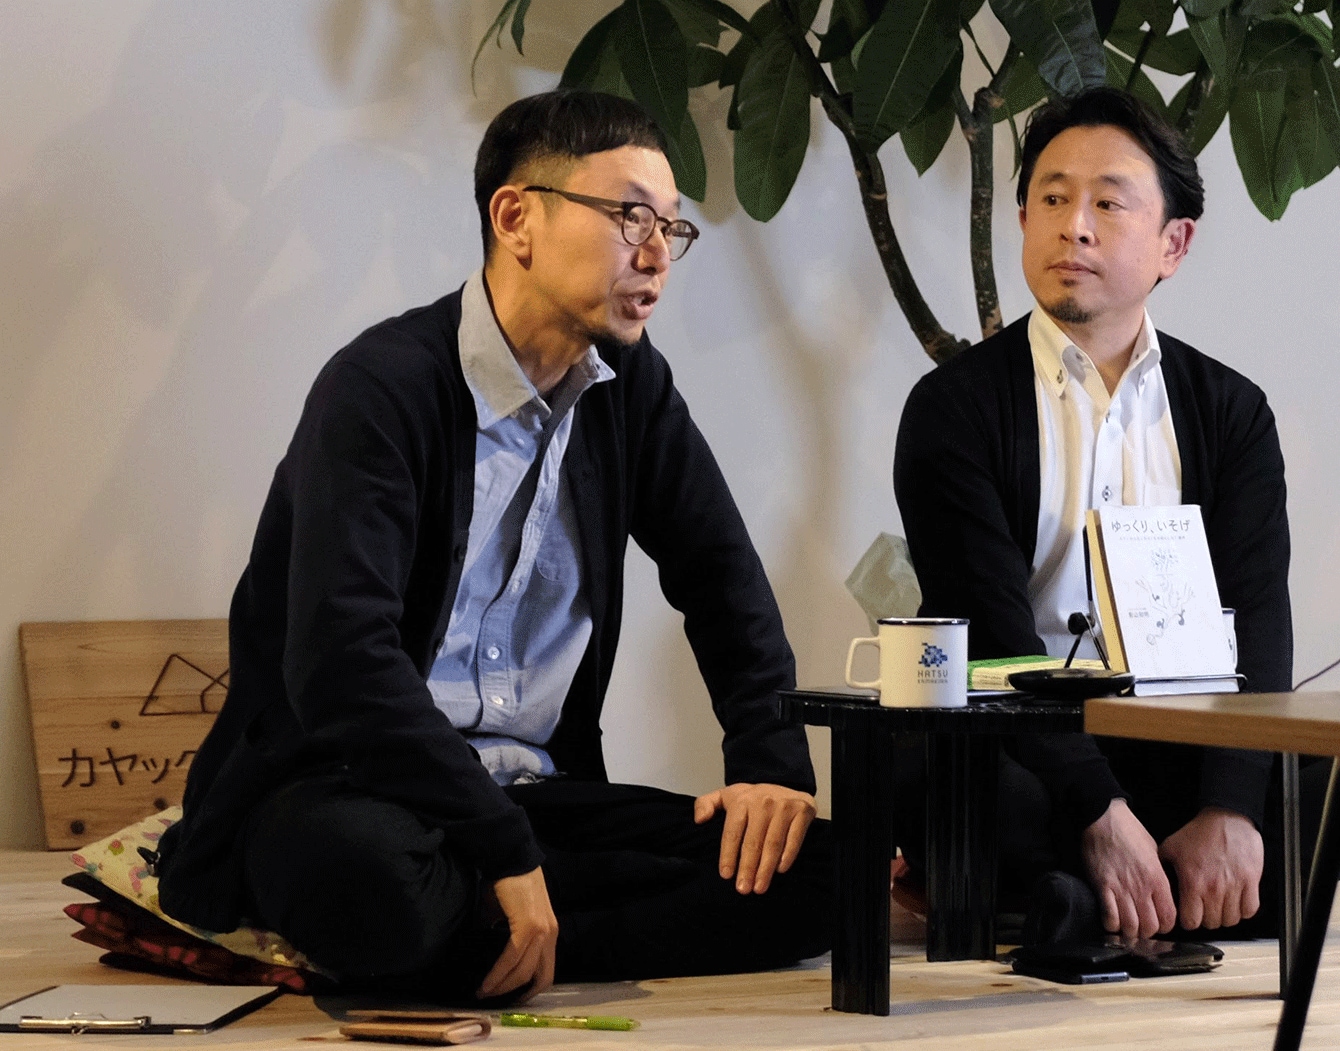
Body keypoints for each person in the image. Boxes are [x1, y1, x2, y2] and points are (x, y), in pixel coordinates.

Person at [155, 90, 830, 1002]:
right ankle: (519, 907)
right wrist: (504, 846)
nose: (658, 255)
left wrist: (768, 768)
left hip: (534, 796)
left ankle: (503, 931)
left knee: (823, 869)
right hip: (350, 789)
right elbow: (342, 665)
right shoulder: (381, 388)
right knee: (372, 880)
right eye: (631, 217)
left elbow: (722, 580)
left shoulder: (630, 386)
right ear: (516, 218)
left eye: (672, 228)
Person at [892, 86, 1316, 944]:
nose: (1074, 227)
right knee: (961, 785)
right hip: (1021, 739)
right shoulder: (953, 408)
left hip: (1174, 735)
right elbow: (993, 626)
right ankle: (1123, 894)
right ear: (1022, 220)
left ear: (1173, 244)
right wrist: (1098, 810)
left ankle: (1077, 905)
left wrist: (1231, 807)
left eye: (1108, 204)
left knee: (1313, 794)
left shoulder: (1232, 412)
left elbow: (1257, 618)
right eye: (1052, 199)